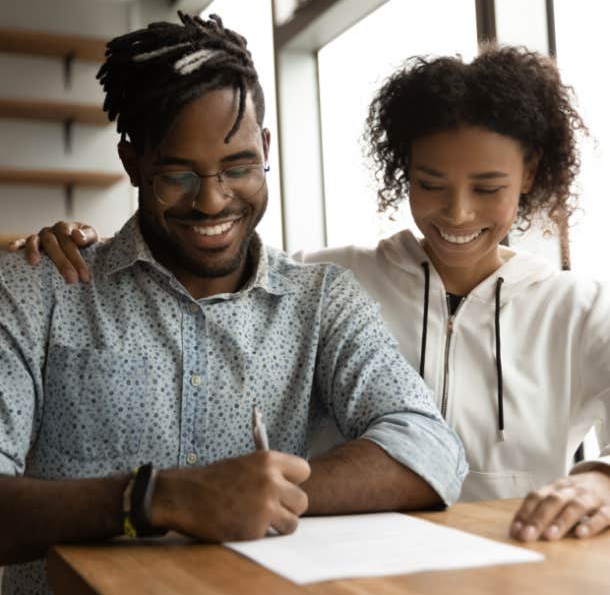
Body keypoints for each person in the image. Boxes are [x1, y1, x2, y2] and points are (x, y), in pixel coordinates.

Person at [27, 45, 610, 544]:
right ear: (403, 172)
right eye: (431, 184)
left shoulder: (575, 306)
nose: (457, 212)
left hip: (523, 560)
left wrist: (600, 476)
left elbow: (431, 449)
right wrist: (82, 248)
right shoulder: (329, 278)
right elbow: (203, 254)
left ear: (529, 175)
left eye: (488, 188)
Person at [0, 13, 468, 595]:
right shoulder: (38, 287)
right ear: (133, 163)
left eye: (239, 167)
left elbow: (430, 449)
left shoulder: (320, 302)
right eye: (178, 175)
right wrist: (156, 498)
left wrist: (260, 493)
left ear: (266, 147)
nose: (212, 201)